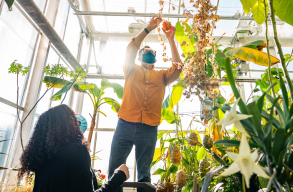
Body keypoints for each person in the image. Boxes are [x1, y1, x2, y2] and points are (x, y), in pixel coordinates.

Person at [108, 16, 183, 192]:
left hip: (148, 129)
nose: (148, 52)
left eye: (152, 52)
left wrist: (171, 39)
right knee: (114, 171)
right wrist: (149, 28)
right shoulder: (130, 69)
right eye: (145, 51)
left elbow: (178, 68)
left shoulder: (162, 76)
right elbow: (131, 47)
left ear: (155, 59)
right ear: (140, 57)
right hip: (124, 125)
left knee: (144, 175)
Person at [18, 104, 130, 192]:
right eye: (73, 119)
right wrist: (119, 176)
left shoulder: (42, 157)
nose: (77, 123)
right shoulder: (76, 151)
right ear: (66, 125)